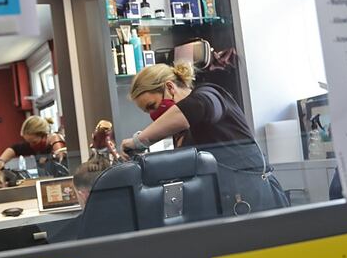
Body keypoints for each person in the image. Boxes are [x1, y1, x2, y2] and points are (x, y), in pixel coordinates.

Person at [119, 63, 289, 216]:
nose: (153, 115)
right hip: (225, 203)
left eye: (152, 106)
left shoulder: (211, 94)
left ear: (170, 87)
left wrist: (138, 141)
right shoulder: (181, 131)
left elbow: (195, 108)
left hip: (255, 198)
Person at [0, 116, 66, 171]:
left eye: (34, 142)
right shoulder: (33, 145)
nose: (31, 145)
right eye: (28, 142)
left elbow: (61, 156)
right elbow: (14, 149)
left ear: (44, 135)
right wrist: (1, 161)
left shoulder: (56, 141)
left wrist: (50, 158)